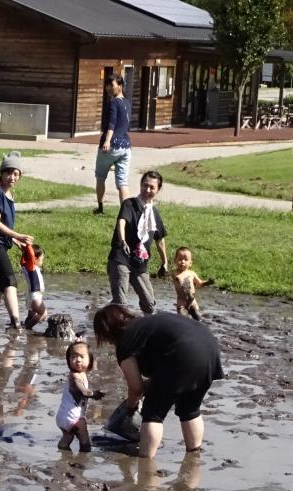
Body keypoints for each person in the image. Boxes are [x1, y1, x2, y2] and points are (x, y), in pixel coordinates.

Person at [93, 304, 223, 459]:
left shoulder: (126, 340)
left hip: (181, 353)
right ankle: (193, 457)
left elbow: (136, 388)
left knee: (153, 413)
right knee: (190, 409)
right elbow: (161, 374)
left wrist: (129, 408)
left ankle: (145, 463)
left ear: (106, 332)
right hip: (209, 346)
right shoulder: (147, 323)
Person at [0, 151, 35, 329]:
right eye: (9, 173)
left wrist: (16, 242)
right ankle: (16, 324)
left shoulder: (9, 196)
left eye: (16, 174)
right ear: (2, 174)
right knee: (10, 282)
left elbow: (4, 226)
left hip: (0, 244)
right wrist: (18, 235)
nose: (12, 177)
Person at [107, 170, 169, 315]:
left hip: (140, 262)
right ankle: (110, 327)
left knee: (150, 305)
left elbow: (159, 239)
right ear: (140, 185)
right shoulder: (129, 204)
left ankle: (147, 332)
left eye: (152, 188)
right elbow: (121, 222)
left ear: (158, 190)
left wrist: (164, 262)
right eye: (144, 185)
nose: (147, 190)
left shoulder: (153, 213)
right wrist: (122, 240)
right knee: (120, 303)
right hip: (121, 258)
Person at [55, 340, 105, 452]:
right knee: (84, 438)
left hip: (62, 417)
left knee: (68, 437)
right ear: (68, 360)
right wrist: (92, 394)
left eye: (82, 357)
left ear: (90, 360)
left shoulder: (81, 373)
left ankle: (62, 454)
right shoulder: (75, 376)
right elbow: (81, 389)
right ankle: (84, 456)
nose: (78, 360)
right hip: (74, 418)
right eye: (73, 357)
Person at [94, 74, 132, 214]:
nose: (109, 88)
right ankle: (126, 213)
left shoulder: (114, 102)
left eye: (112, 85)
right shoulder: (127, 103)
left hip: (111, 146)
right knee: (122, 182)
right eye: (107, 85)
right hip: (126, 147)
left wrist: (107, 140)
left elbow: (112, 123)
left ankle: (100, 207)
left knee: (100, 176)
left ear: (120, 86)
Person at [172, 246, 213, 320]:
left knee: (198, 317)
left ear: (190, 263)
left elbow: (199, 283)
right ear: (175, 260)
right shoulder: (174, 273)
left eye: (186, 260)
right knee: (182, 319)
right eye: (180, 259)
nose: (183, 262)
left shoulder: (192, 273)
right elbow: (165, 275)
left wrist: (208, 282)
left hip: (192, 301)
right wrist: (162, 272)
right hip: (181, 301)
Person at [20, 243, 47, 330]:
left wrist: (24, 248)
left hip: (30, 295)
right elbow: (31, 255)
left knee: (31, 315)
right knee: (43, 314)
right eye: (41, 259)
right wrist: (28, 245)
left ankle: (24, 326)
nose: (42, 262)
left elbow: (26, 257)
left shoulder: (25, 266)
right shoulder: (32, 267)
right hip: (36, 296)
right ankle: (27, 328)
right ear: (34, 259)